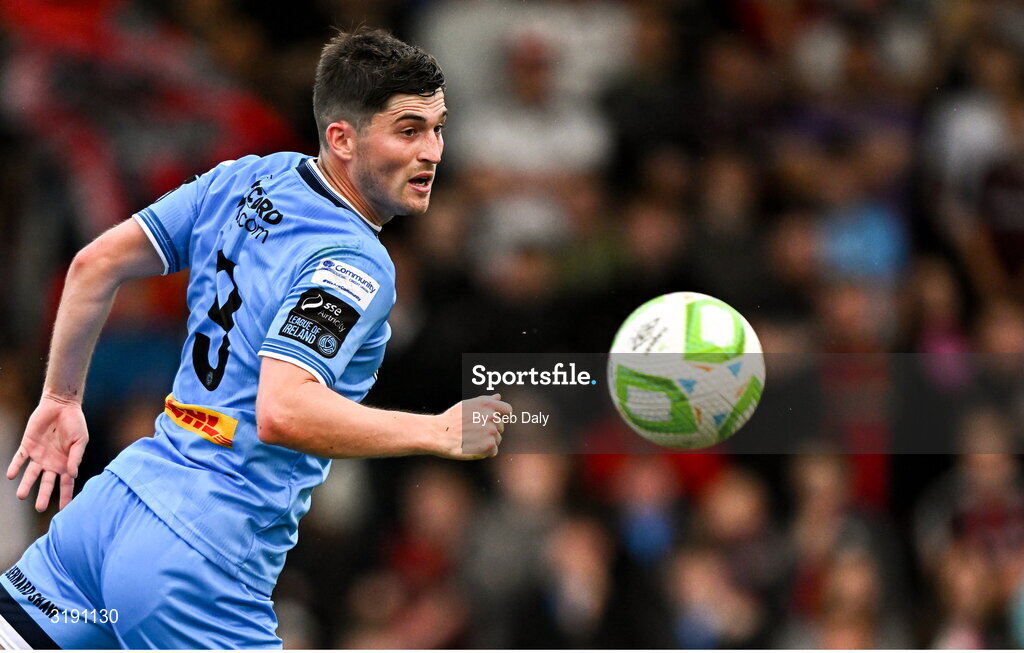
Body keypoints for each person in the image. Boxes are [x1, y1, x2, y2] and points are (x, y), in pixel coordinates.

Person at [0, 28, 510, 650]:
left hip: (109, 511)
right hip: (201, 559)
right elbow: (283, 409)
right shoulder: (354, 261)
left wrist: (59, 398)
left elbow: (93, 265)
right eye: (408, 130)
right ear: (342, 139)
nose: (432, 150)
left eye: (438, 127)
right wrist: (438, 432)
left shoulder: (247, 178)